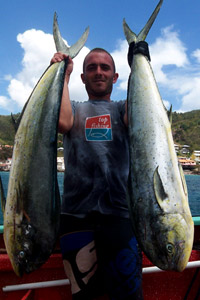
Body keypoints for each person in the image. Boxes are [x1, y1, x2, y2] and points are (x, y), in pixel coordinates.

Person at [50, 47, 144, 300]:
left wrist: (140, 64)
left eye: (105, 68)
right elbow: (62, 123)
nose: (98, 72)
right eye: (91, 68)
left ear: (115, 77)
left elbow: (141, 116)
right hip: (75, 218)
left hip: (121, 217)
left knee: (128, 296)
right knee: (83, 296)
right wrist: (63, 74)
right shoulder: (75, 109)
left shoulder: (124, 108)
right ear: (83, 77)